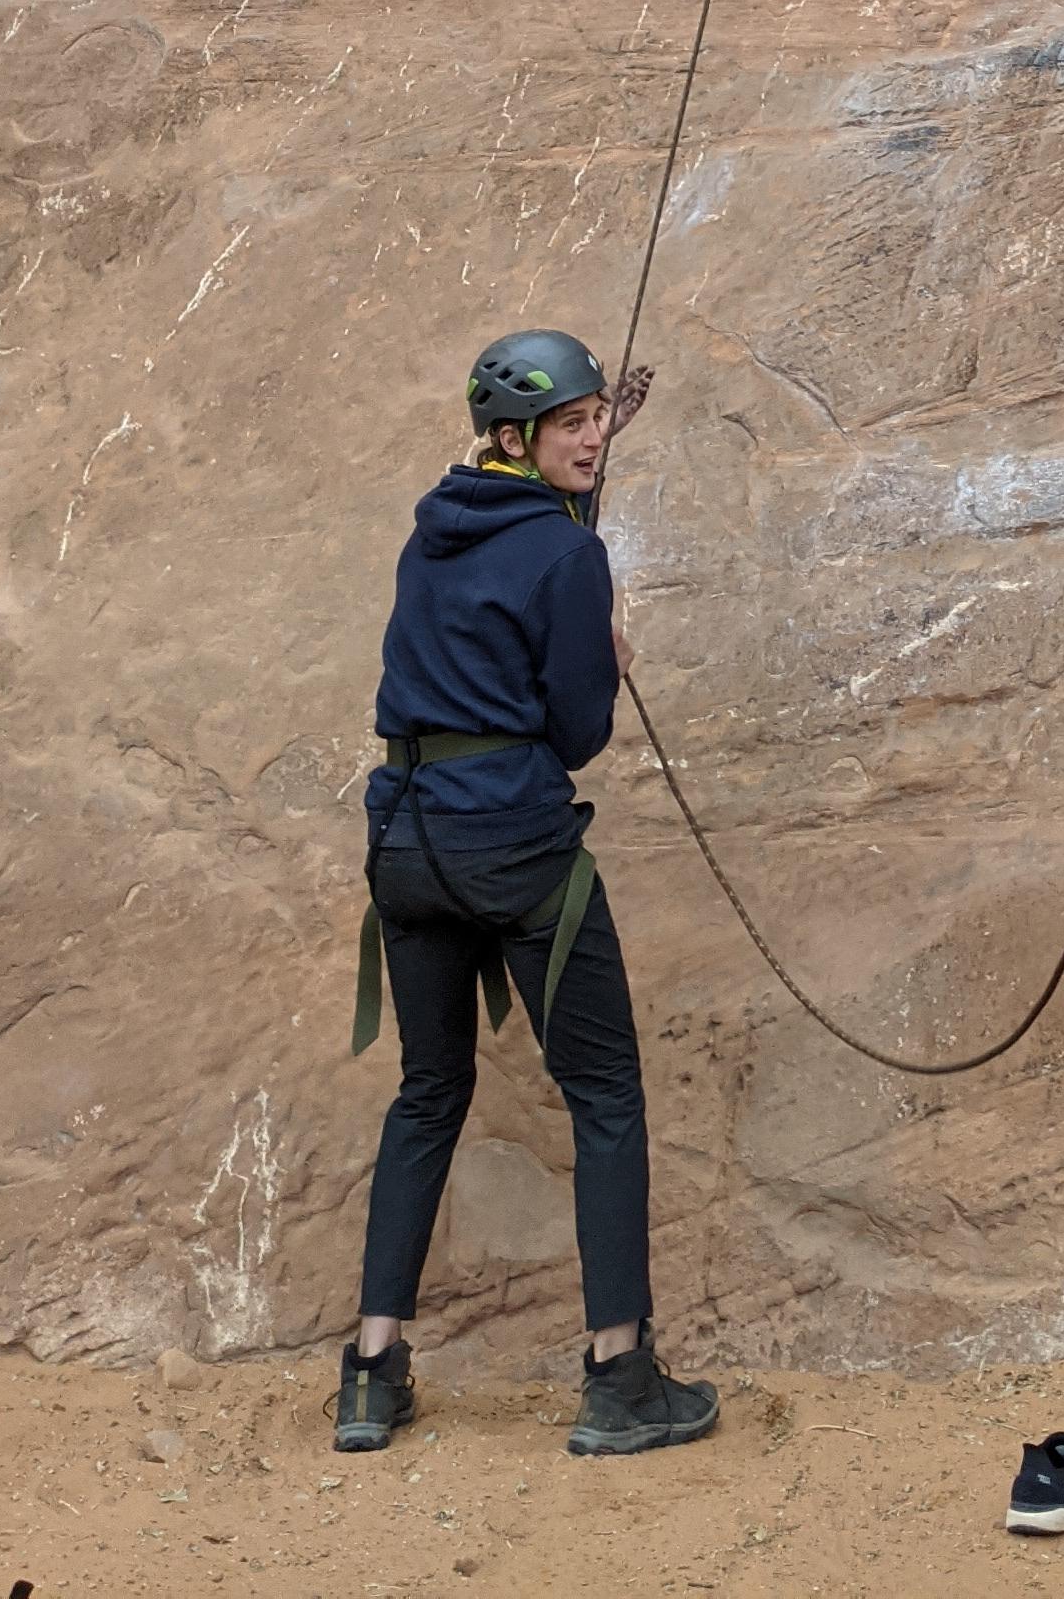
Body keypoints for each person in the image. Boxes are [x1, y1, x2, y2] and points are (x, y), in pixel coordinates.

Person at [334, 329, 718, 1461]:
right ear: (515, 438)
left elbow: (509, 554)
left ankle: (370, 1370)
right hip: (512, 843)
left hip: (406, 842)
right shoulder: (566, 558)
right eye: (572, 424)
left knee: (427, 1091)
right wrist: (607, 653)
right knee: (605, 1095)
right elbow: (579, 733)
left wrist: (575, 484)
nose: (594, 436)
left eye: (600, 415)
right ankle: (619, 1376)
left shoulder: (431, 528)